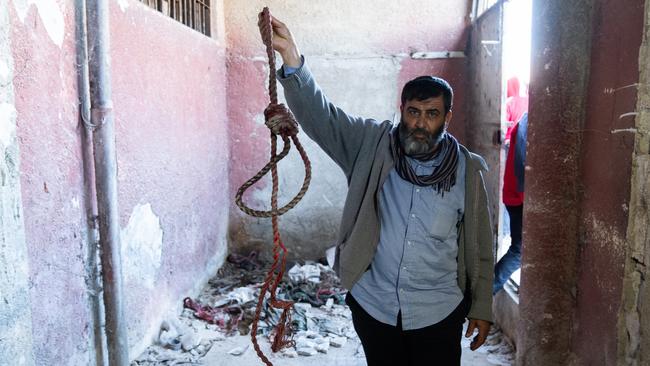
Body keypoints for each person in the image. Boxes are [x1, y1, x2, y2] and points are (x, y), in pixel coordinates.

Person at [267, 15, 494, 366]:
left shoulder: (468, 169)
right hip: (375, 307)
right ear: (401, 110)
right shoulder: (371, 145)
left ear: (447, 118)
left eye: (431, 114)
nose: (420, 124)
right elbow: (323, 117)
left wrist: (481, 306)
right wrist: (291, 56)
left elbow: (480, 246)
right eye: (413, 112)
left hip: (439, 310)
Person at [494, 112, 528, 294]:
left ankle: (480, 297)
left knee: (518, 250)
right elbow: (522, 162)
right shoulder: (528, 122)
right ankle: (480, 298)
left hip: (516, 195)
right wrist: (526, 200)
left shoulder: (525, 120)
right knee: (519, 251)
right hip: (519, 198)